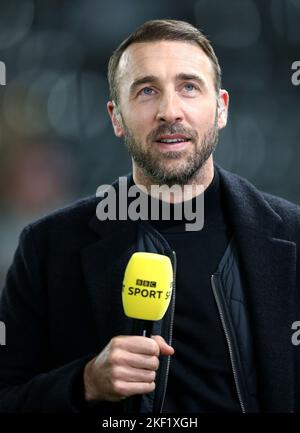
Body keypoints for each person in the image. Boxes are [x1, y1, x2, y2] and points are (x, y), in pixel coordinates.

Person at [0, 19, 300, 414]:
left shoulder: (292, 237)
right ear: (116, 117)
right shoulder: (48, 249)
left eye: (189, 87)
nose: (169, 111)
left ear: (221, 108)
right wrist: (85, 382)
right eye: (146, 91)